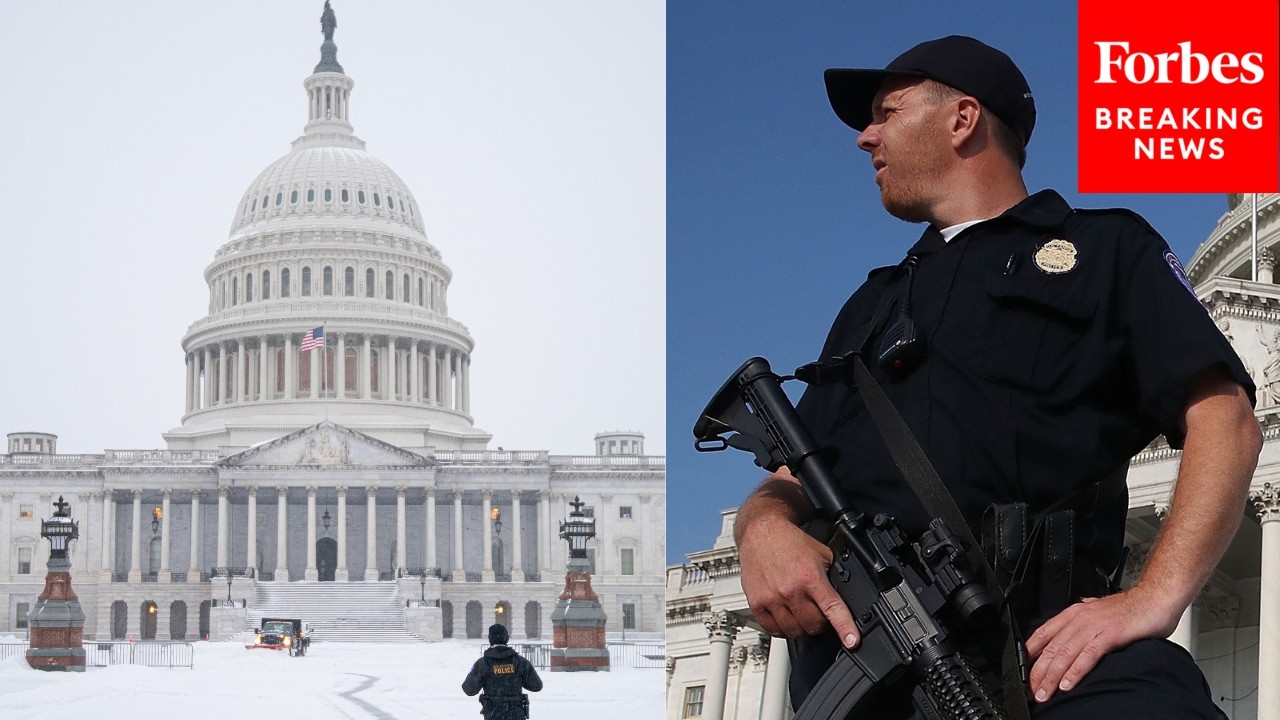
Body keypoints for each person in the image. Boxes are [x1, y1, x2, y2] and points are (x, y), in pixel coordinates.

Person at [732, 35, 1261, 718]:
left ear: (962, 119)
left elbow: (1226, 417)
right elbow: (795, 477)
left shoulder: (1105, 250)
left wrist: (1152, 598)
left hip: (1052, 656)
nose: (866, 138)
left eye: (886, 113)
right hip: (872, 667)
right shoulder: (870, 305)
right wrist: (761, 529)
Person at [462, 624, 543, 720]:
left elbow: (469, 689)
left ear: (489, 639)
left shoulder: (482, 663)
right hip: (516, 714)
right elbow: (536, 686)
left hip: (493, 714)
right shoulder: (520, 662)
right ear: (507, 639)